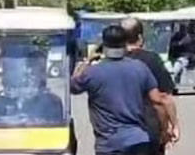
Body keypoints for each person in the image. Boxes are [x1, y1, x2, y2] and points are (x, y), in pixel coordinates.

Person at [71, 25, 171, 155]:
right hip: (138, 141)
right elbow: (158, 102)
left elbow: (73, 86)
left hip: (110, 145)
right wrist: (164, 130)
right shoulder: (140, 68)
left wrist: (88, 60)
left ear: (104, 45)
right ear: (125, 43)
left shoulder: (92, 73)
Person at [121, 17, 180, 154]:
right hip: (148, 129)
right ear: (140, 38)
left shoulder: (111, 63)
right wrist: (172, 125)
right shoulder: (151, 60)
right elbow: (164, 97)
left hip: (118, 133)